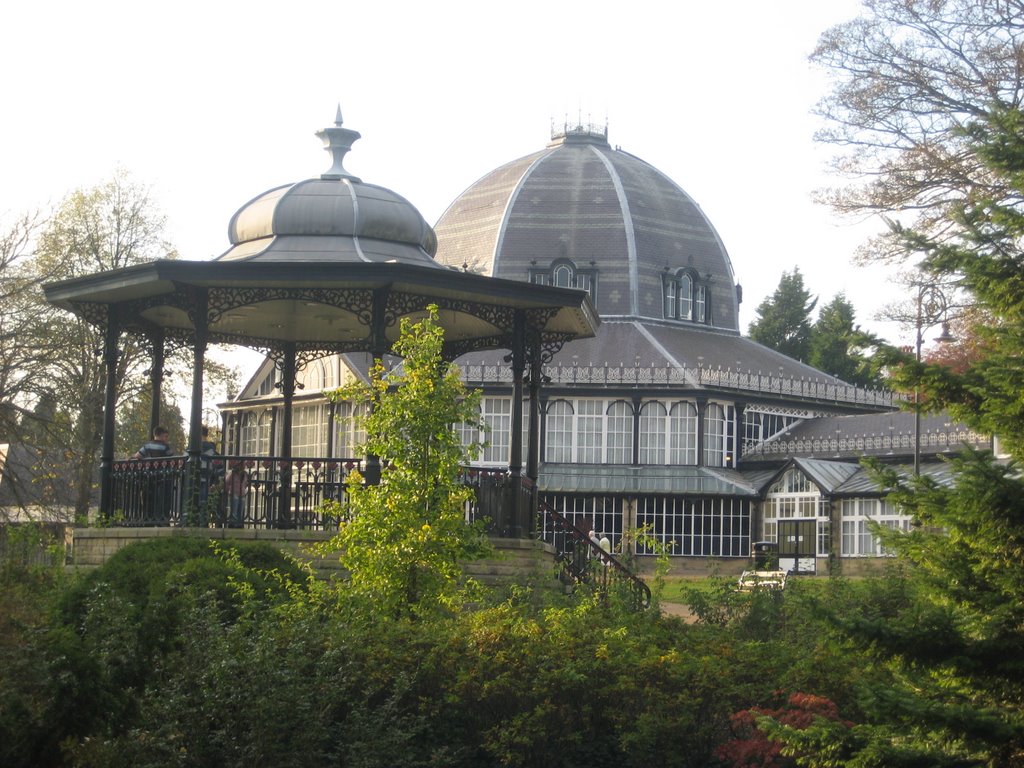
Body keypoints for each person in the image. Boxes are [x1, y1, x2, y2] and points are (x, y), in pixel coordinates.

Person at [130, 426, 175, 523]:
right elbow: (172, 459)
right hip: (163, 477)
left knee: (150, 499)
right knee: (162, 499)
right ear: (161, 435)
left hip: (149, 476)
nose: (166, 438)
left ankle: (148, 519)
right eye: (165, 436)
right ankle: (162, 519)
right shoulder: (165, 447)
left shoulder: (147, 445)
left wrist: (131, 457)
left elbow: (138, 456)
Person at [225, 462, 249, 528]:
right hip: (234, 493)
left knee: (240, 511)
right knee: (234, 510)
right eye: (242, 465)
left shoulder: (245, 474)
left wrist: (244, 488)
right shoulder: (232, 474)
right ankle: (232, 524)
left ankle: (239, 524)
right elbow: (227, 482)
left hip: (242, 494)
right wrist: (228, 490)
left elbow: (246, 483)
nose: (244, 466)